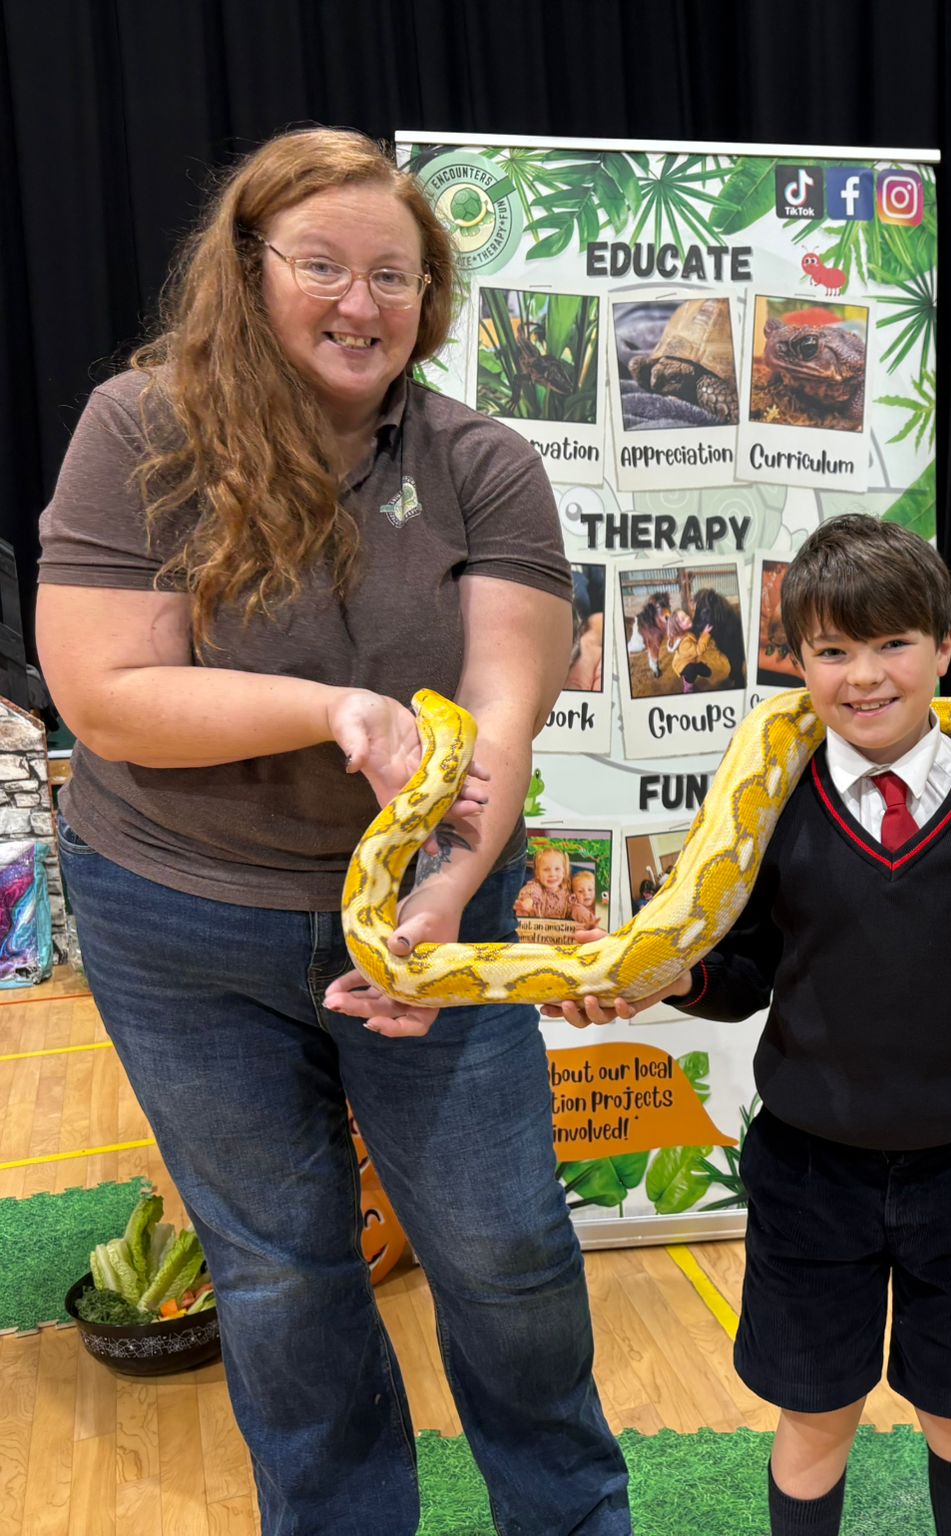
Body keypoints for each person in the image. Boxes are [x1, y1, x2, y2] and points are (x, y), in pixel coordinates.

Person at [37, 127, 631, 1533]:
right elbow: (105, 696)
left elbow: (502, 709)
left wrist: (446, 892)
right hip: (178, 920)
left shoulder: (484, 461)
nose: (361, 304)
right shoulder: (141, 431)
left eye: (396, 275)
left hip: (431, 918)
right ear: (249, 272)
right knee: (280, 1270)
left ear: (433, 297)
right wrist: (334, 711)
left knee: (503, 1250)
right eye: (322, 267)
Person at [545, 516, 951, 1536]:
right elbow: (744, 971)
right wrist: (669, 976)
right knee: (814, 1415)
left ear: (943, 647)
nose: (863, 676)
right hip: (811, 1168)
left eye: (892, 643)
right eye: (832, 651)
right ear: (797, 662)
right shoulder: (771, 805)